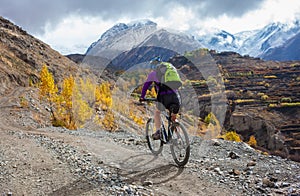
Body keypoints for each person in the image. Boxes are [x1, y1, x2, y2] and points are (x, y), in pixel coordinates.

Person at [139, 56, 181, 140]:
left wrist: (142, 97)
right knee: (173, 118)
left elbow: (145, 86)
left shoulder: (153, 74)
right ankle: (179, 138)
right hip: (176, 97)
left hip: (164, 98)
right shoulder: (169, 71)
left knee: (157, 112)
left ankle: (158, 132)